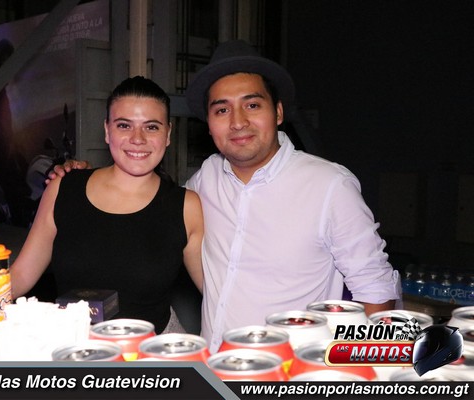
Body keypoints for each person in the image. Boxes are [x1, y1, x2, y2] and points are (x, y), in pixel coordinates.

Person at [51, 40, 401, 353]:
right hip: (215, 368)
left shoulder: (329, 186)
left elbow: (376, 290)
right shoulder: (204, 182)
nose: (237, 122)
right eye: (222, 110)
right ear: (209, 123)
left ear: (278, 112)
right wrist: (79, 177)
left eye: (252, 105)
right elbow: (145, 200)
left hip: (288, 373)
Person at [0, 76, 204, 334]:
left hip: (156, 349)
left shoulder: (186, 206)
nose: (137, 138)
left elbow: (217, 291)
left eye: (151, 127)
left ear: (168, 134)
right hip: (77, 348)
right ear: (107, 131)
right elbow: (19, 278)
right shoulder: (64, 189)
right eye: (124, 125)